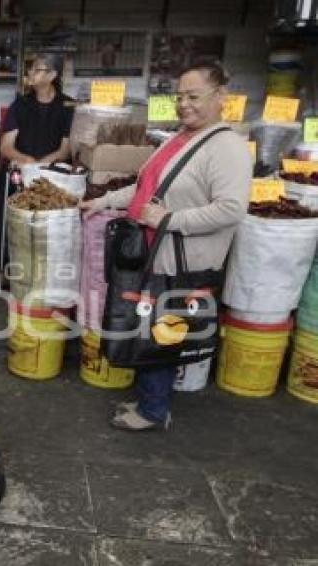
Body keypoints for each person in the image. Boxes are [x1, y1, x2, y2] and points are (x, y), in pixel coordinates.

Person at [80, 60, 251, 431]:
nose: (184, 104)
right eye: (179, 97)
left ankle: (153, 412)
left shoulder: (228, 147)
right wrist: (105, 201)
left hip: (181, 259)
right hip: (155, 250)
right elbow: (147, 190)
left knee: (162, 331)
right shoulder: (179, 139)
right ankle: (150, 401)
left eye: (194, 96)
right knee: (152, 327)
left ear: (220, 97)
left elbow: (232, 209)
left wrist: (170, 220)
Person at [0, 53, 75, 271]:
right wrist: (28, 162)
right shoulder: (20, 105)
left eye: (37, 69)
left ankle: (45, 270)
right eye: (31, 69)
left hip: (51, 173)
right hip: (20, 170)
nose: (31, 73)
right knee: (2, 209)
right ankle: (3, 267)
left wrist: (42, 167)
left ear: (53, 75)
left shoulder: (67, 106)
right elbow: (6, 147)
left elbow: (64, 150)